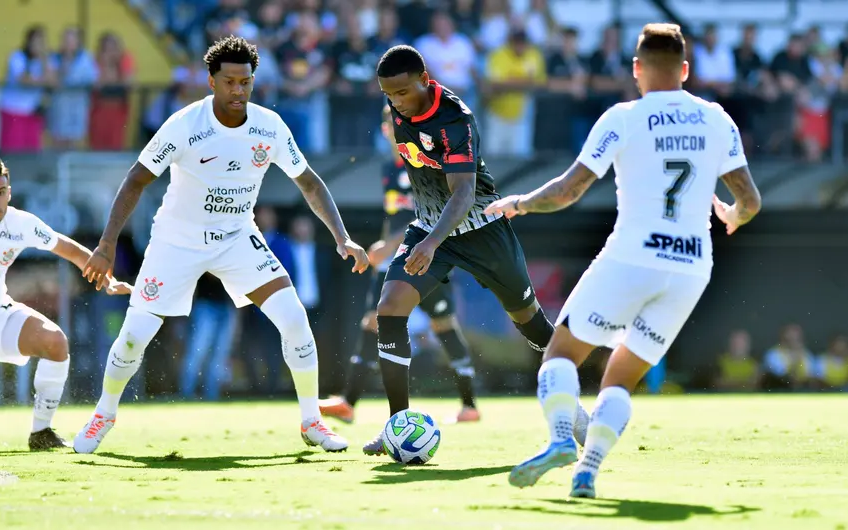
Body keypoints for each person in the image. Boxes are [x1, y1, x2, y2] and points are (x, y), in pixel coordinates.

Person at [484, 24, 762, 498]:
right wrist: (732, 215)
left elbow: (569, 189)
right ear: (686, 70)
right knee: (621, 378)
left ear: (636, 69)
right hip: (691, 268)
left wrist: (522, 202)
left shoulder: (624, 117)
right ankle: (588, 472)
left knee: (561, 355)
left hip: (633, 256)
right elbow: (750, 200)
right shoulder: (717, 119)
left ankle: (558, 442)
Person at [72, 36, 369, 454]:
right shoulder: (184, 125)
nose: (238, 91)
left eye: (245, 82)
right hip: (176, 240)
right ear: (211, 81)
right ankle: (103, 414)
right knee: (135, 334)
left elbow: (309, 183)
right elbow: (135, 180)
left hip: (236, 237)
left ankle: (312, 421)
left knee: (294, 319)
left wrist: (343, 238)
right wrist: (106, 245)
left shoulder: (269, 126)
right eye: (229, 82)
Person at [364, 45, 589, 455]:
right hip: (430, 227)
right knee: (390, 308)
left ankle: (572, 409)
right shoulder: (398, 112)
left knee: (532, 324)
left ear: (425, 80)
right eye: (388, 95)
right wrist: (426, 234)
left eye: (401, 93)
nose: (396, 102)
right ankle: (397, 425)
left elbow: (464, 193)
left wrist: (432, 244)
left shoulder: (455, 119)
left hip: (483, 230)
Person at [319, 105, 481, 425]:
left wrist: (387, 247)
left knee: (442, 325)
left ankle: (469, 404)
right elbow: (395, 217)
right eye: (388, 124)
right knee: (373, 322)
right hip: (396, 260)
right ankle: (349, 402)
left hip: (424, 257)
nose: (393, 129)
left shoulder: (418, 165)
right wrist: (385, 253)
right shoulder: (389, 169)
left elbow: (424, 216)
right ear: (384, 130)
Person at [0, 159, 132, 450]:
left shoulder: (20, 223)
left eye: (2, 191)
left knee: (55, 342)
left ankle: (41, 433)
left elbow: (70, 249)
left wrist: (108, 281)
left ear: (9, 192)